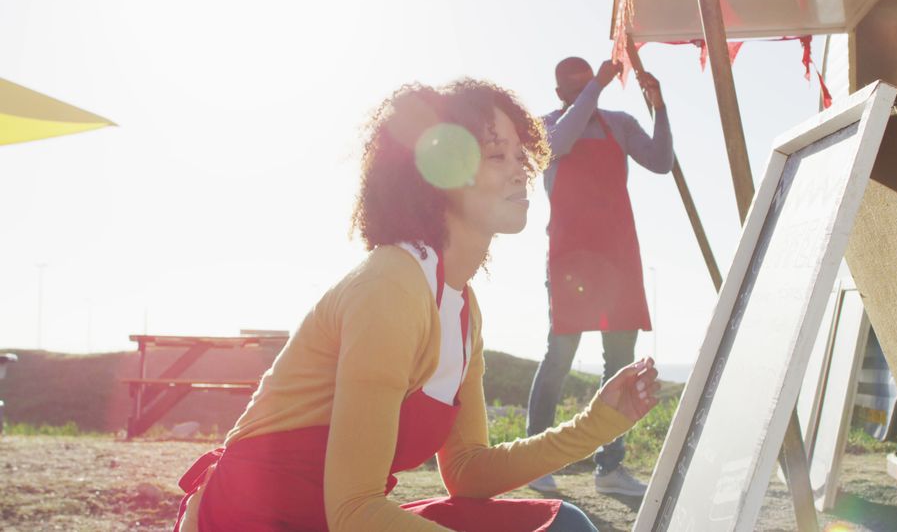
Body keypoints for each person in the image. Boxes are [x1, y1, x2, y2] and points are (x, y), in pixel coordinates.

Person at [172, 79, 662, 531]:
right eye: (497, 155)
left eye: (521, 153)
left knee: (563, 525)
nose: (523, 169)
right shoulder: (391, 285)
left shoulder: (462, 307)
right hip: (247, 519)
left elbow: (468, 472)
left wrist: (598, 424)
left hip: (329, 520)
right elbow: (354, 511)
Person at [526, 57, 673, 497]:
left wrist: (660, 107)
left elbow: (662, 162)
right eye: (575, 86)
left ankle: (610, 469)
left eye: (587, 82)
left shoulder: (620, 124)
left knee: (621, 363)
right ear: (560, 94)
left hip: (618, 256)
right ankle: (536, 461)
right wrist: (598, 87)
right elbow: (558, 147)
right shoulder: (547, 125)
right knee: (559, 356)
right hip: (571, 259)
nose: (585, 91)